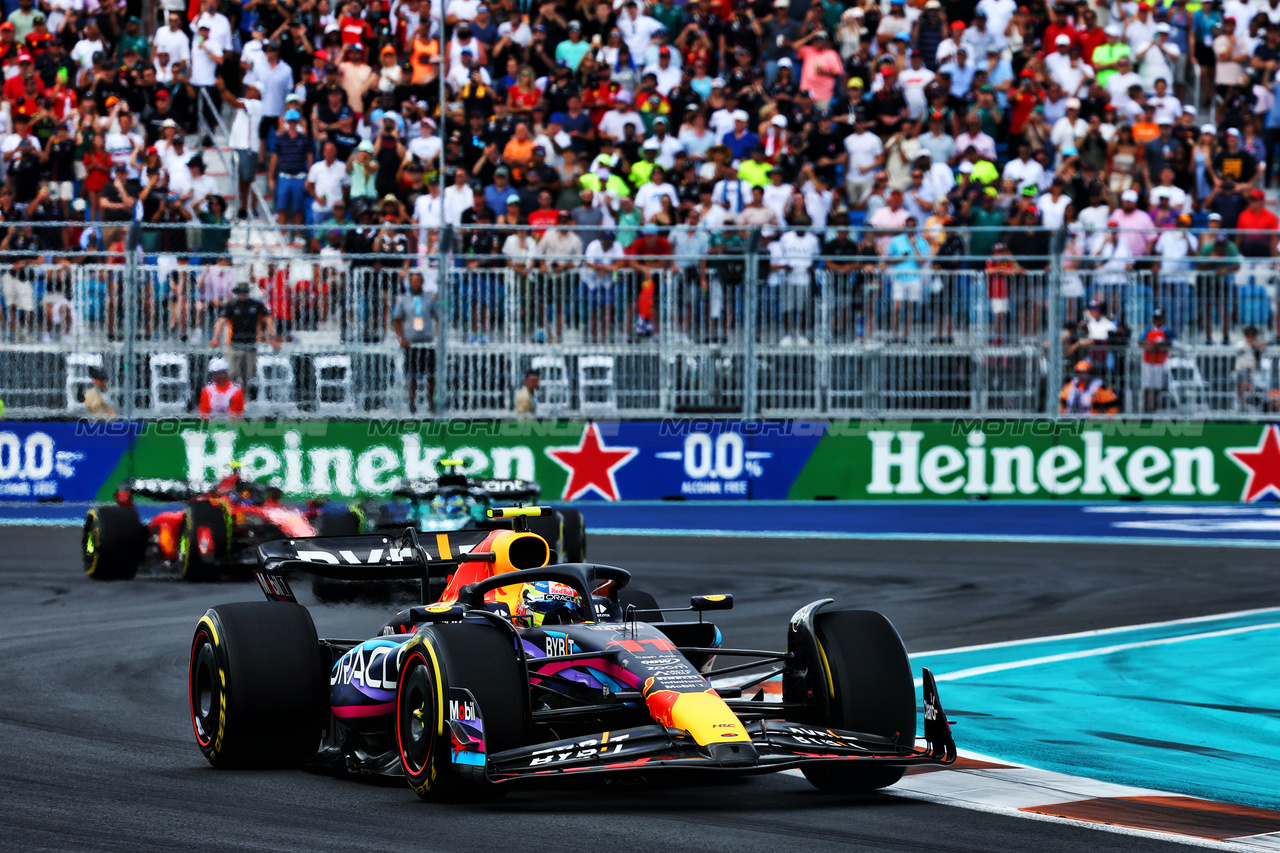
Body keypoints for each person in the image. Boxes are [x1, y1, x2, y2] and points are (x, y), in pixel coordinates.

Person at [209, 282, 278, 393]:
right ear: (237, 293)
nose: (242, 294)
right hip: (234, 345)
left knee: (248, 375)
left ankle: (243, 398)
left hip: (251, 345)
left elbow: (268, 319)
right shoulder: (231, 305)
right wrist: (215, 338)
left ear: (248, 293)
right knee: (232, 374)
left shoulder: (256, 305)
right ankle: (231, 396)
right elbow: (220, 322)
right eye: (240, 292)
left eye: (244, 292)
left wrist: (272, 338)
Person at [392, 271, 437, 415]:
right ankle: (412, 403)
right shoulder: (404, 300)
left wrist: (437, 334)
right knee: (411, 375)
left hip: (427, 342)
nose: (415, 283)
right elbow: (397, 319)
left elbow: (439, 316)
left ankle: (431, 402)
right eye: (412, 281)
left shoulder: (429, 299)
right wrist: (401, 338)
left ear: (422, 282)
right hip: (410, 343)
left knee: (431, 374)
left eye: (417, 281)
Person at [1139, 308, 1174, 412]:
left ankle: (1154, 407)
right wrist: (1152, 344)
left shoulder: (1167, 330)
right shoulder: (1149, 329)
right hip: (1148, 361)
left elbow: (1170, 342)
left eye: (1160, 319)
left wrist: (1161, 344)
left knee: (1156, 386)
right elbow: (1141, 341)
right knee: (1147, 385)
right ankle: (1146, 407)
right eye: (1156, 319)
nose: (1158, 321)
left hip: (1160, 361)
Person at [198, 356, 246, 421]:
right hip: (212, 427)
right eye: (214, 373)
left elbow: (238, 417)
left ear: (225, 373)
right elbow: (203, 415)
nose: (215, 376)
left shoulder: (236, 391)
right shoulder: (207, 391)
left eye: (218, 373)